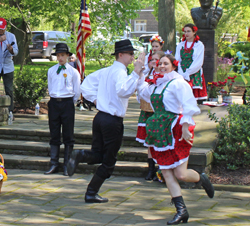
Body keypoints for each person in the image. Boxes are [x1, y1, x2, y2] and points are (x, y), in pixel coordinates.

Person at [137, 53, 214, 225]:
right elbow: (143, 93)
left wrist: (186, 127)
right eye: (159, 64)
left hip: (176, 129)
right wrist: (140, 72)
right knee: (165, 172)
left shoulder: (178, 83)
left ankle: (201, 178)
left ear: (173, 65)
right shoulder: (156, 85)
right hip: (159, 131)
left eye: (165, 64)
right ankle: (181, 211)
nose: (162, 66)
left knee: (181, 174)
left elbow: (189, 105)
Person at [66, 39, 145, 203]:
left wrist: (96, 100)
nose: (132, 57)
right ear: (121, 55)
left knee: (98, 154)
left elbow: (85, 85)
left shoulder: (106, 71)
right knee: (108, 162)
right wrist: (136, 73)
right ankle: (91, 192)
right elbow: (123, 91)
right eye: (130, 54)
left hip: (101, 118)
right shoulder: (120, 73)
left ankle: (80, 155)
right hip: (111, 121)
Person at [44, 43, 81, 176]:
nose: (60, 58)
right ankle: (54, 163)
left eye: (63, 55)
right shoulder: (51, 70)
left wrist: (71, 102)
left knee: (68, 134)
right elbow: (50, 86)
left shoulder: (73, 72)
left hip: (67, 104)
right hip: (54, 103)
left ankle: (67, 164)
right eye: (58, 55)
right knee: (54, 133)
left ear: (67, 56)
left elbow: (77, 90)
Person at [136, 50, 165, 180]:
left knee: (160, 140)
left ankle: (161, 169)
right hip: (148, 110)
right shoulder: (148, 74)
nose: (154, 62)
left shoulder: (165, 76)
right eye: (152, 60)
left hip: (159, 112)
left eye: (157, 60)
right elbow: (141, 93)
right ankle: (151, 169)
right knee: (150, 141)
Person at [175, 24, 208, 101]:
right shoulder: (180, 45)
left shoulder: (199, 45)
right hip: (181, 71)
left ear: (194, 32)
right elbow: (177, 59)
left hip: (194, 72)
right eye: (185, 31)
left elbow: (198, 61)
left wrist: (188, 72)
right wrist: (181, 72)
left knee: (194, 98)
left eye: (188, 31)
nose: (186, 33)